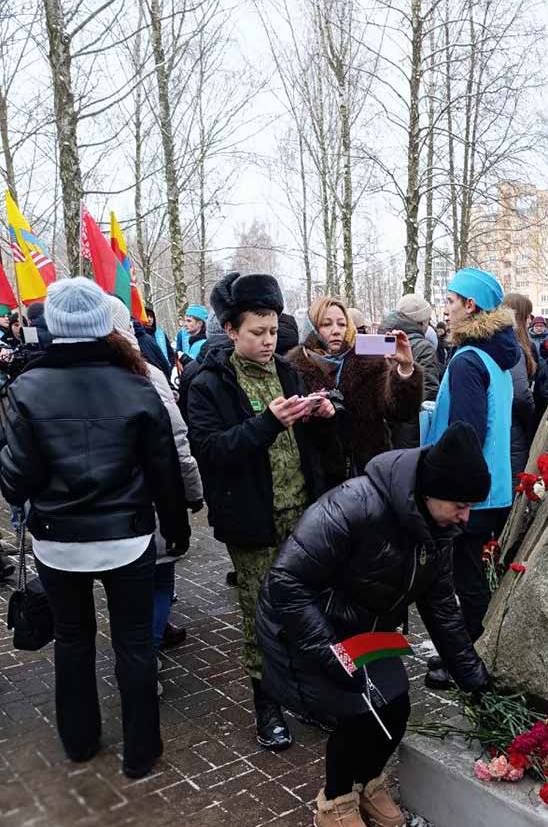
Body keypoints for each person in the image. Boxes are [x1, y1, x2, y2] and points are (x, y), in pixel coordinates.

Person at [256, 422, 492, 827]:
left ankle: (367, 781)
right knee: (359, 712)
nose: (466, 518)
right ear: (428, 492)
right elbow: (285, 581)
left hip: (367, 630)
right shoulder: (353, 505)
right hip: (308, 627)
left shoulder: (439, 531)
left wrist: (475, 678)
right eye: (460, 506)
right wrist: (331, 653)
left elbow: (441, 609)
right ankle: (335, 800)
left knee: (396, 705)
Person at [0, 278, 189, 777]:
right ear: (104, 323)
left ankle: (80, 742)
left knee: (73, 639)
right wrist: (177, 528)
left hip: (59, 542)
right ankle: (142, 751)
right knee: (133, 644)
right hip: (128, 539)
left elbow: (15, 479)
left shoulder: (27, 388)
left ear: (54, 325)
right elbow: (164, 471)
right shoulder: (136, 382)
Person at [187, 272, 339, 749]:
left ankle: (308, 694)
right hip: (253, 520)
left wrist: (323, 417)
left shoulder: (291, 372)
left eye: (273, 330)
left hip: (302, 514)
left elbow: (318, 447)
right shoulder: (209, 383)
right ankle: (267, 704)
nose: (268, 341)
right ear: (231, 330)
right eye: (257, 331)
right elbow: (212, 450)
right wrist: (267, 423)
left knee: (308, 610)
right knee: (261, 614)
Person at [423, 268, 517, 689]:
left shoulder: (467, 360)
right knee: (473, 573)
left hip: (467, 490)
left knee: (461, 579)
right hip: (492, 485)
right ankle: (473, 652)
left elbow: (467, 432)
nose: (446, 308)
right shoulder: (497, 357)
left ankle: (467, 659)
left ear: (470, 305)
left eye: (450, 300)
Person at [106, 296, 203, 653]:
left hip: (98, 512)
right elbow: (177, 438)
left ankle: (137, 645)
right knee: (159, 579)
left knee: (123, 589)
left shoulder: (58, 377)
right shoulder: (146, 373)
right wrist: (193, 492)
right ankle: (146, 653)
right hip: (148, 500)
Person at [286, 295, 423, 478]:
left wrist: (405, 368)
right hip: (318, 477)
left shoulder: (369, 360)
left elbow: (400, 411)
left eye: (342, 324)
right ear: (312, 328)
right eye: (326, 324)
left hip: (369, 472)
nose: (336, 331)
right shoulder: (292, 368)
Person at [379, 293, 440, 448]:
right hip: (412, 431)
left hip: (385, 429)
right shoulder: (423, 347)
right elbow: (429, 390)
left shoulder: (383, 340)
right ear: (421, 322)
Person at [502, 292, 537, 479]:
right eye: (528, 315)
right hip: (514, 430)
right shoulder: (513, 346)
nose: (531, 320)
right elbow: (520, 395)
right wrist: (532, 420)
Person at [145, 306, 175, 370]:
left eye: (151, 317)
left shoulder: (160, 334)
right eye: (147, 316)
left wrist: (170, 366)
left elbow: (170, 352)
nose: (149, 319)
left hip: (165, 370)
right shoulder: (140, 335)